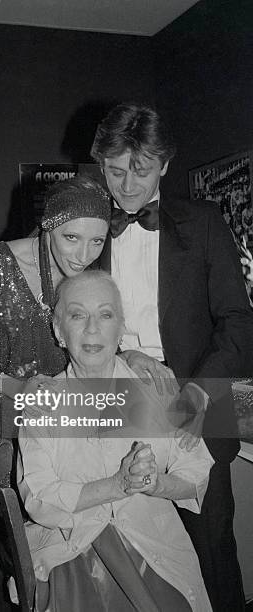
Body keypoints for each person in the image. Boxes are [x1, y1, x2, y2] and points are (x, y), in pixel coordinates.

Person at [90, 102, 253, 611]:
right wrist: (127, 354)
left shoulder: (203, 222)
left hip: (201, 401)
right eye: (115, 171)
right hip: (118, 401)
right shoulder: (91, 231)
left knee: (212, 552)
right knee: (139, 556)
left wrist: (198, 395)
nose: (128, 186)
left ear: (164, 164)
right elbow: (74, 319)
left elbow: (239, 320)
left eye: (141, 170)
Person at [0, 175, 113, 611]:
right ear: (48, 224)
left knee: (67, 549)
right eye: (72, 237)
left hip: (60, 417)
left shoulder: (87, 276)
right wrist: (10, 385)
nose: (84, 254)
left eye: (97, 242)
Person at [17, 271, 214, 612]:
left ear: (121, 328)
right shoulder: (42, 402)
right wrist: (116, 485)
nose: (92, 328)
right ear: (59, 331)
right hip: (74, 549)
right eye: (77, 315)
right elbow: (38, 496)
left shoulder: (157, 387)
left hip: (156, 546)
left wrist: (157, 484)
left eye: (105, 315)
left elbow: (196, 471)